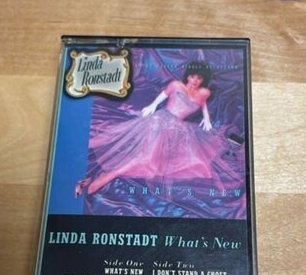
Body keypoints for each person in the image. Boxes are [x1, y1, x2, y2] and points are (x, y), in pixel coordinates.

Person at [76, 62, 230, 196]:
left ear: (204, 79)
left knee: (187, 162)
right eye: (192, 76)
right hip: (161, 121)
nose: (195, 81)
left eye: (199, 78)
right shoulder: (176, 85)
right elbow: (164, 95)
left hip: (180, 129)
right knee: (147, 158)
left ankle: (111, 174)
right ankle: (109, 175)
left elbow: (202, 103)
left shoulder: (204, 92)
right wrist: (153, 105)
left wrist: (206, 117)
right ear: (187, 76)